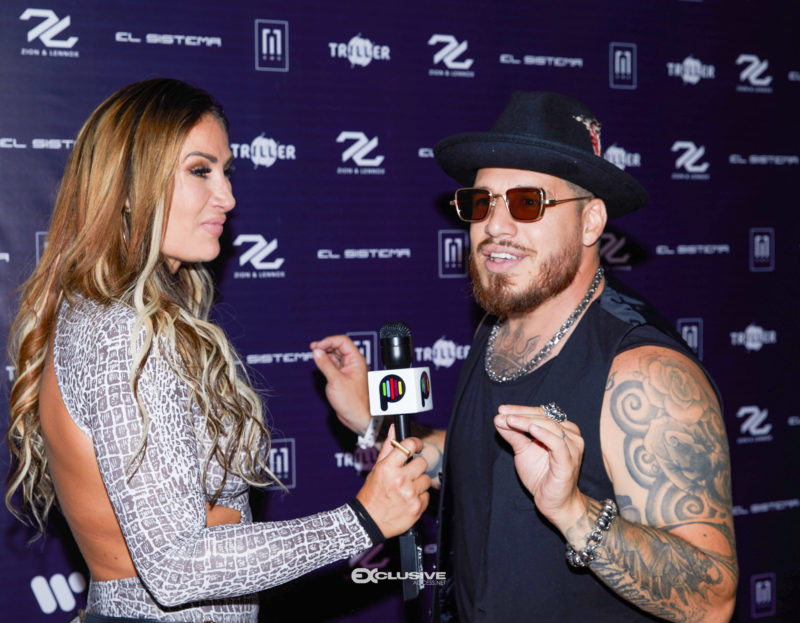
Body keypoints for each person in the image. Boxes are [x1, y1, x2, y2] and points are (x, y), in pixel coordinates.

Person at [5, 78, 430, 623]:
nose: (227, 197)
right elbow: (176, 566)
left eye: (226, 172)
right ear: (128, 187)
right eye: (200, 170)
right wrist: (362, 520)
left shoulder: (104, 313)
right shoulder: (122, 331)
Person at [311, 91, 738, 622]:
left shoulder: (644, 374)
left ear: (590, 222)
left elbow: (713, 599)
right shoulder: (499, 328)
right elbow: (480, 462)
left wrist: (573, 511)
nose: (496, 227)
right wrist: (374, 422)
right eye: (482, 203)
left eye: (528, 203)